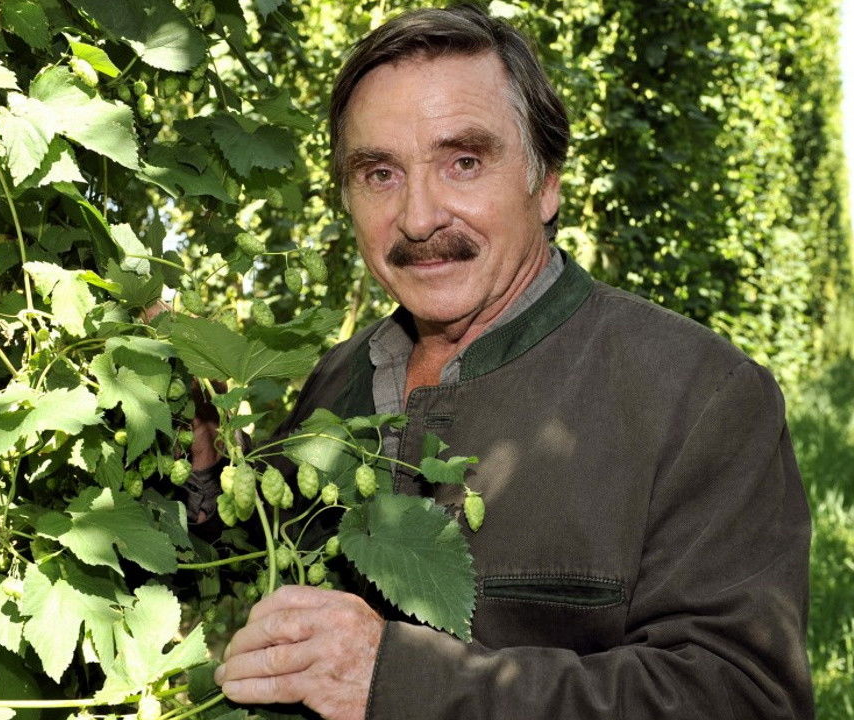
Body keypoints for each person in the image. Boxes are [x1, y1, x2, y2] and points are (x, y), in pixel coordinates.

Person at [205, 4, 815, 718]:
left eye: (463, 162)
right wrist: (204, 471)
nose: (419, 218)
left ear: (545, 180)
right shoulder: (336, 380)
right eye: (379, 173)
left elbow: (741, 697)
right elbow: (257, 571)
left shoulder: (699, 397)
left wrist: (401, 682)